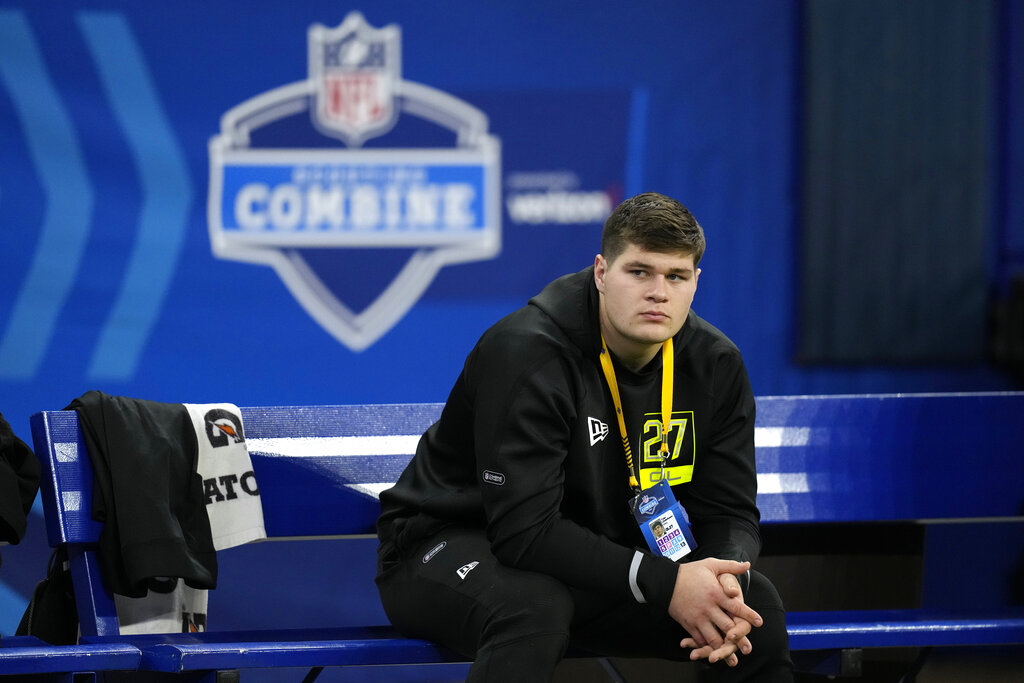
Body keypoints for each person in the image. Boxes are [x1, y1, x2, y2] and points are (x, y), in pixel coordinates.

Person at [376, 192, 793, 681]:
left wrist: (721, 576)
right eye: (639, 272)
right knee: (533, 610)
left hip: (593, 559)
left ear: (695, 283)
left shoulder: (714, 363)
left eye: (675, 276)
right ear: (601, 273)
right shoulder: (527, 353)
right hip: (449, 546)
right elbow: (523, 533)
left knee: (750, 605)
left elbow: (730, 510)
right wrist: (665, 583)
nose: (658, 292)